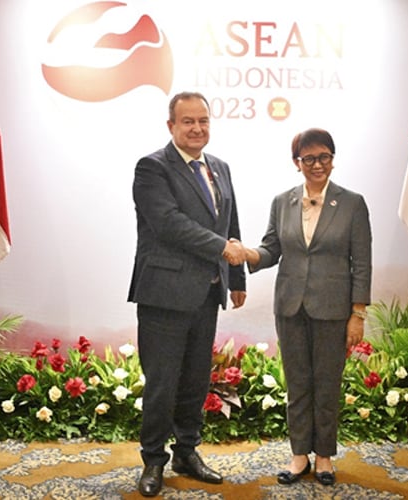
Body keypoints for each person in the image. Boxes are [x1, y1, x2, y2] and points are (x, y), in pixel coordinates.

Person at [128, 91, 247, 497]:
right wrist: (222, 249)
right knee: (162, 383)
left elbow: (230, 223)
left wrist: (236, 278)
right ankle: (153, 460)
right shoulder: (152, 168)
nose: (197, 128)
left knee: (196, 381)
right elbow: (168, 223)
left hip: (206, 293)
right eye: (188, 121)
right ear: (171, 126)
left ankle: (186, 453)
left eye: (203, 121)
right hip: (164, 294)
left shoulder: (220, 167)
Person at [244, 128, 372, 486]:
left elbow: (362, 262)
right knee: (298, 382)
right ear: (296, 162)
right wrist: (250, 254)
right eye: (309, 158)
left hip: (334, 309)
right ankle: (299, 454)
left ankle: (325, 456)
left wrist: (357, 314)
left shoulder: (352, 203)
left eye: (324, 157)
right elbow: (272, 249)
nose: (318, 165)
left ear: (332, 159)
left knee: (327, 383)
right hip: (290, 307)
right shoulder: (282, 202)